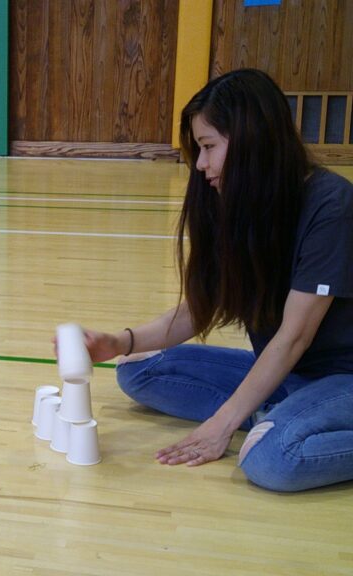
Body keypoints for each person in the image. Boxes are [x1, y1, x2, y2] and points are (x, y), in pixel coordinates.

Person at [71, 68, 353, 492]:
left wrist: (221, 426)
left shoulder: (332, 206)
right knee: (138, 370)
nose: (200, 164)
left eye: (208, 147)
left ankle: (274, 422)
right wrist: (118, 342)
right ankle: (275, 412)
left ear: (252, 141)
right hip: (289, 373)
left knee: (270, 459)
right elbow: (200, 307)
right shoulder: (241, 202)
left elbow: (294, 337)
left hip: (341, 378)